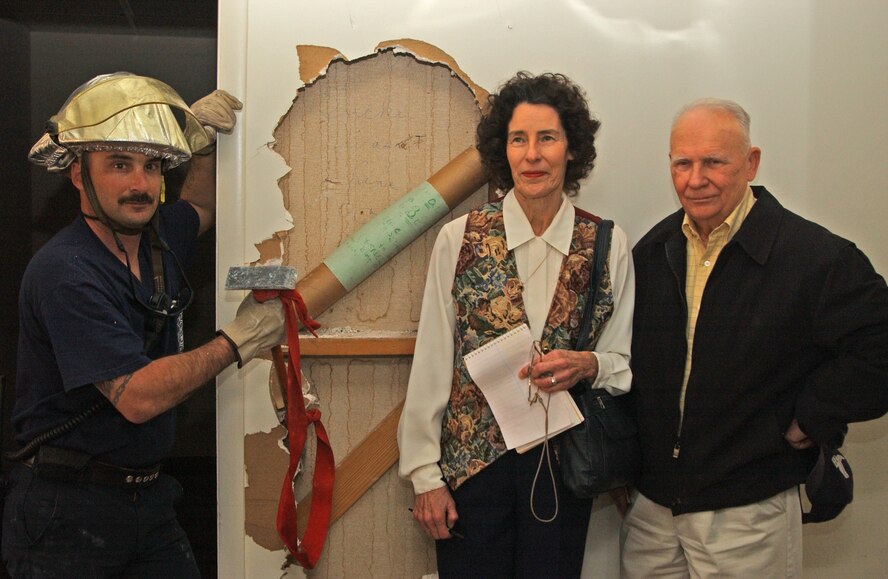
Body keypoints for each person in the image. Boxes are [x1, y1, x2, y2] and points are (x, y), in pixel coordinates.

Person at [2, 72, 286, 577]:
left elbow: (199, 205)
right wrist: (237, 341)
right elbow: (136, 397)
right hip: (67, 512)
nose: (140, 184)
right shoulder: (65, 271)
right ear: (77, 175)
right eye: (119, 165)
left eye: (153, 166)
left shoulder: (158, 238)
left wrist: (200, 145)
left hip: (148, 499)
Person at [622, 98, 888, 577]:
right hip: (653, 515)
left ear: (751, 163)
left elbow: (879, 348)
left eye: (714, 162)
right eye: (682, 163)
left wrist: (813, 415)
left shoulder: (817, 258)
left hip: (747, 512)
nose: (695, 178)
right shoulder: (652, 251)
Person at [397, 72, 635, 577]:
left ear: (571, 149)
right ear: (502, 151)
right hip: (470, 475)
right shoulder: (458, 238)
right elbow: (434, 362)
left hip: (561, 470)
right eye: (518, 139)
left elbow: (622, 365)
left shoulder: (607, 244)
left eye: (547, 138)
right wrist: (424, 475)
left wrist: (588, 363)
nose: (533, 155)